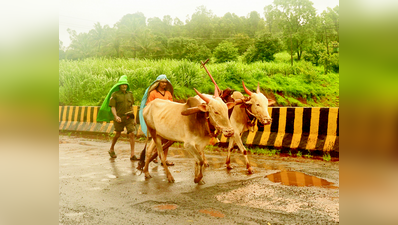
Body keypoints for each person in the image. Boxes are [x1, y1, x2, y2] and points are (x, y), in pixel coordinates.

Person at [97, 75, 137, 160]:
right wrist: (116, 116)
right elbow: (113, 107)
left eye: (125, 84)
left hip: (129, 117)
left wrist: (134, 119)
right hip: (119, 118)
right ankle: (111, 149)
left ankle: (132, 154)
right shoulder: (115, 95)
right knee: (118, 134)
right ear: (119, 85)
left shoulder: (130, 94)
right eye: (122, 84)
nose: (124, 86)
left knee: (132, 134)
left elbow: (131, 106)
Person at [139, 74, 174, 166]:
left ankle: (164, 159)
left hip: (166, 119)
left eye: (165, 82)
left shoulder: (168, 94)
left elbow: (172, 105)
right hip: (157, 120)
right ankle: (155, 155)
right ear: (158, 83)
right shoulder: (153, 93)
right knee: (157, 139)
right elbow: (149, 106)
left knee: (167, 140)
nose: (164, 84)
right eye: (162, 82)